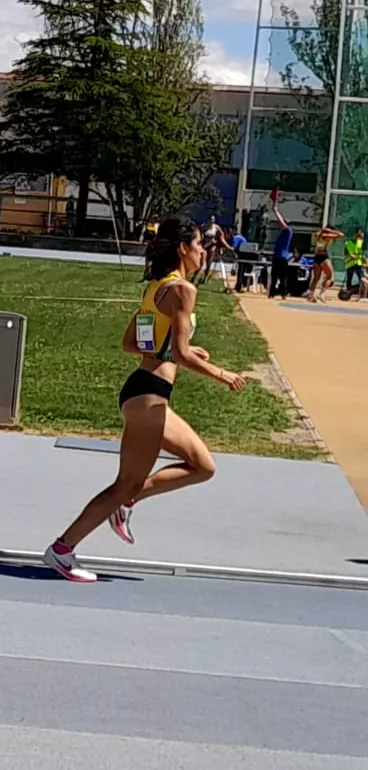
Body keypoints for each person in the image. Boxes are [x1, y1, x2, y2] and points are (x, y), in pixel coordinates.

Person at [44, 217, 242, 582]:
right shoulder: (183, 290)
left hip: (146, 391)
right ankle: (61, 549)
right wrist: (220, 373)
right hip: (148, 396)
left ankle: (125, 504)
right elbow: (179, 354)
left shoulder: (156, 288)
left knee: (202, 466)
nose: (204, 251)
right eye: (200, 244)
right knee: (126, 483)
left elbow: (132, 344)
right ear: (183, 248)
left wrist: (174, 349)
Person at [307, 223, 343, 303]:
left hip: (316, 258)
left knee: (316, 278)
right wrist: (332, 231)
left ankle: (310, 294)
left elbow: (318, 234)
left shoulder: (318, 234)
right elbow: (341, 235)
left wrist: (324, 230)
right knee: (330, 276)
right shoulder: (327, 236)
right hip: (323, 257)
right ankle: (321, 294)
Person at [343, 228, 365, 301]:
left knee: (361, 279)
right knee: (349, 279)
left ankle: (361, 293)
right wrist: (351, 256)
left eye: (361, 234)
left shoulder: (361, 243)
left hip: (358, 264)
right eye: (359, 234)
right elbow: (347, 253)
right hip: (350, 263)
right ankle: (348, 293)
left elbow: (362, 253)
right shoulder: (348, 243)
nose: (360, 236)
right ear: (355, 234)